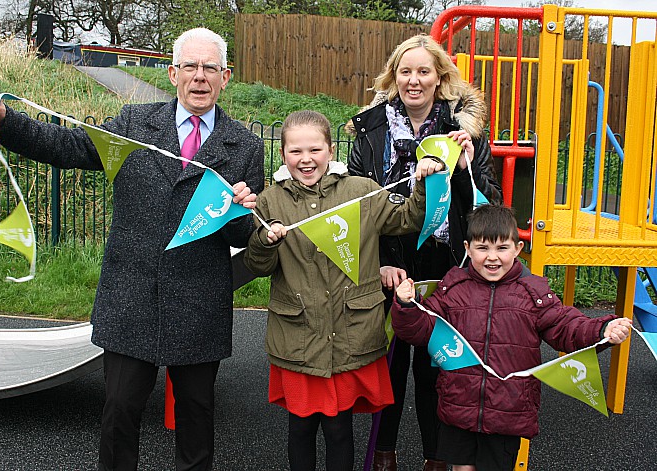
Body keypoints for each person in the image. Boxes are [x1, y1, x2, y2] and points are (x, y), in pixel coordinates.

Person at [0, 28, 264, 471]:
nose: (200, 77)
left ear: (226, 77)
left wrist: (241, 211)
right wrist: (4, 117)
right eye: (191, 67)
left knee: (197, 422)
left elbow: (238, 237)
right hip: (130, 299)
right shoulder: (133, 124)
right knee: (120, 415)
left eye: (210, 68)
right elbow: (66, 145)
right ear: (174, 73)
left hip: (198, 304)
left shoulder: (247, 147)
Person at [243, 110, 445, 471]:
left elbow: (407, 220)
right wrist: (265, 240)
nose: (306, 160)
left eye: (315, 150)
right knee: (300, 428)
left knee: (340, 429)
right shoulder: (270, 200)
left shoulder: (361, 191)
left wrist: (424, 182)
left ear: (331, 150)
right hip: (298, 336)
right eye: (295, 151)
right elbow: (259, 267)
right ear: (283, 154)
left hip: (349, 333)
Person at [347, 34, 502, 471]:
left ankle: (438, 458)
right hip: (390, 262)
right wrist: (377, 263)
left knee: (436, 369)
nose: (414, 80)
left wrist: (467, 170)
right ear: (394, 78)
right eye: (405, 71)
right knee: (389, 366)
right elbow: (359, 202)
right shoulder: (370, 130)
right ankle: (384, 453)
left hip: (445, 264)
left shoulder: (465, 134)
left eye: (424, 72)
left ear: (440, 79)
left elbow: (491, 203)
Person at [391, 203, 632, 471]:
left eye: (502, 248)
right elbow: (422, 328)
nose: (492, 257)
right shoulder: (454, 287)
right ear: (467, 249)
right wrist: (407, 306)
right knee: (460, 468)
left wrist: (601, 330)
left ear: (517, 249)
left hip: (508, 408)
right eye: (482, 248)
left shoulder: (533, 292)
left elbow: (566, 326)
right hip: (459, 403)